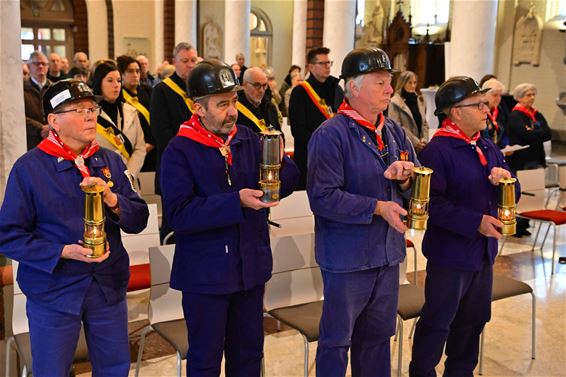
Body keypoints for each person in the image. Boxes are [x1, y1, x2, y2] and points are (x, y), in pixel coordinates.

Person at [160, 59, 299, 376]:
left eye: (234, 101)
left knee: (249, 355)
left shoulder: (248, 137)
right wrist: (234, 202)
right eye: (222, 104)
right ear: (198, 108)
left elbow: (285, 181)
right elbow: (179, 215)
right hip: (206, 275)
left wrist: (280, 163)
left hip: (250, 268)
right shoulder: (179, 150)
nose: (232, 111)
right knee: (206, 360)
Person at [0, 79, 149, 376]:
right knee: (52, 371)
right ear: (53, 120)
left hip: (106, 287)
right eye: (79, 110)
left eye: (92, 108)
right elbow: (8, 236)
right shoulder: (29, 168)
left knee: (115, 369)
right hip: (55, 290)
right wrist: (62, 251)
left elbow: (139, 218)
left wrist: (113, 199)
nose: (91, 115)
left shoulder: (109, 161)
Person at [308, 48, 418, 377]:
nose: (389, 89)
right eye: (380, 82)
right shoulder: (330, 135)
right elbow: (323, 198)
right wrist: (377, 207)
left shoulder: (395, 132)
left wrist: (408, 177)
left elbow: (417, 184)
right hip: (347, 258)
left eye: (390, 83)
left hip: (386, 255)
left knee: (377, 338)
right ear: (353, 88)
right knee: (337, 341)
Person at [409, 76, 520, 377]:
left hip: (482, 254)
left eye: (485, 103)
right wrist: (476, 223)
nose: (486, 109)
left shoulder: (485, 145)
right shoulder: (438, 151)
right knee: (438, 321)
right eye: (479, 104)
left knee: (473, 321)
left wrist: (506, 182)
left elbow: (514, 190)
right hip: (450, 255)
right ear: (455, 112)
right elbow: (432, 203)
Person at [150, 42, 198, 242]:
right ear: (174, 63)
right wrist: (189, 154)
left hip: (199, 167)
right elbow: (161, 132)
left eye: (193, 60)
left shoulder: (200, 89)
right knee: (173, 224)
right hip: (175, 166)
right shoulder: (162, 90)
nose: (190, 65)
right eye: (184, 61)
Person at [289, 46, 343, 189]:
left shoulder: (336, 88)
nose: (327, 67)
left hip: (334, 155)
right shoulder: (300, 91)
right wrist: (322, 145)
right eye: (323, 63)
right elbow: (298, 130)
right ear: (311, 67)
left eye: (329, 63)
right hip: (310, 155)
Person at [92, 61, 147, 180]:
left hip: (129, 179)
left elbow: (140, 148)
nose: (116, 85)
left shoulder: (131, 112)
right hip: (101, 178)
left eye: (118, 80)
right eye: (110, 80)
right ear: (99, 83)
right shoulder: (90, 114)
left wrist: (129, 174)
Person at [117, 55, 156, 172]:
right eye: (130, 71)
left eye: (137, 71)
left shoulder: (148, 91)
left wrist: (153, 142)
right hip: (133, 150)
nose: (135, 74)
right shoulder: (119, 96)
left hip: (153, 147)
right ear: (122, 74)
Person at [388, 70, 429, 153]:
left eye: (415, 82)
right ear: (403, 83)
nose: (413, 86)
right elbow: (396, 126)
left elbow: (424, 123)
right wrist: (415, 142)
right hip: (404, 146)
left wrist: (424, 140)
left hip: (421, 147)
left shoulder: (420, 100)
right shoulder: (394, 102)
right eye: (410, 83)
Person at [237, 67, 281, 134]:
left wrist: (280, 139)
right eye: (257, 85)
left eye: (264, 85)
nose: (261, 90)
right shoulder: (235, 110)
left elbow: (278, 131)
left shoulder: (270, 107)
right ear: (244, 85)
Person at [24, 51, 51, 150]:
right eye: (36, 63)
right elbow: (18, 116)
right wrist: (40, 128)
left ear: (48, 67)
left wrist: (51, 127)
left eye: (43, 64)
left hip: (52, 137)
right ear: (28, 66)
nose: (40, 66)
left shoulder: (54, 88)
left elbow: (62, 111)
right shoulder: (22, 88)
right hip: (30, 140)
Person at [481, 78, 509, 148]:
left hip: (497, 150)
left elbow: (505, 130)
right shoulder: (479, 111)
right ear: (484, 94)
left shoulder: (500, 110)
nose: (498, 98)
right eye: (495, 95)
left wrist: (507, 145)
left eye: (500, 95)